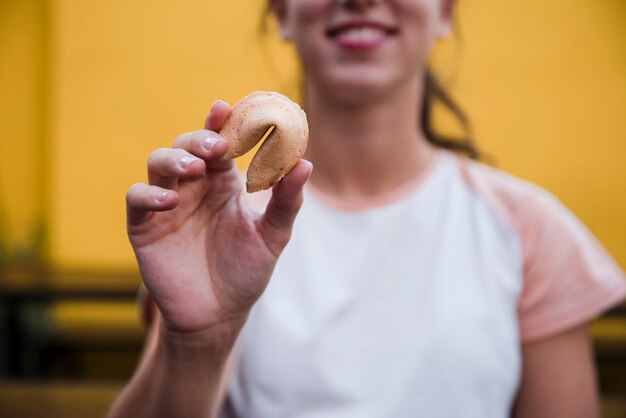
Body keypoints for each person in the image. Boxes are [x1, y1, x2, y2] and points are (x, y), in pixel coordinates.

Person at [109, 0, 626, 417]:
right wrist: (197, 342)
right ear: (281, 14)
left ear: (445, 12)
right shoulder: (219, 228)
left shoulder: (529, 230)